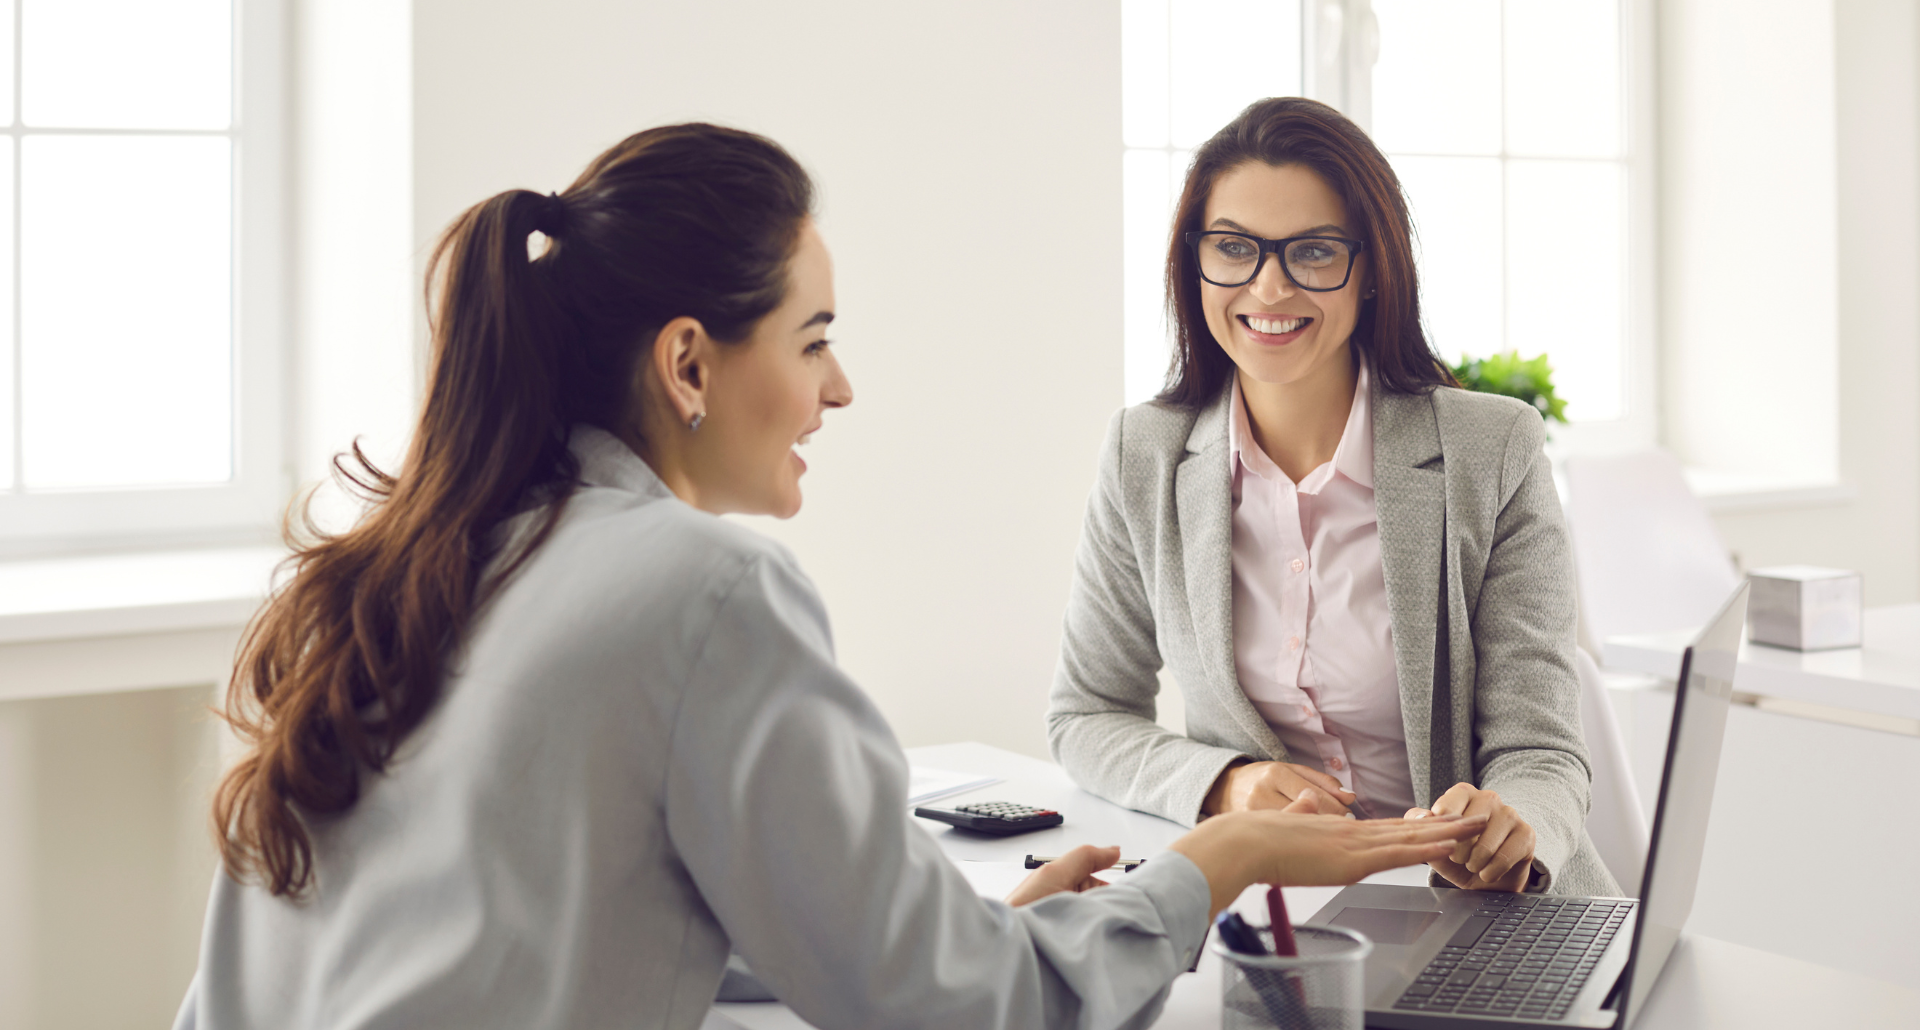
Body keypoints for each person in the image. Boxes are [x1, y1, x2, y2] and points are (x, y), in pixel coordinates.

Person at [172, 123, 1485, 1030]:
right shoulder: (704, 593)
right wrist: (1212, 862)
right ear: (688, 365)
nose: (838, 388)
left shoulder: (398, 570)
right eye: (812, 341)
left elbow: (554, 950)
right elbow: (968, 1015)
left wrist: (943, 937)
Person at [1047, 97, 1617, 898]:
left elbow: (1542, 750)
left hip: (1478, 912)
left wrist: (1510, 823)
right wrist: (1228, 785)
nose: (1269, 287)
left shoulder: (1492, 451)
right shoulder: (1145, 454)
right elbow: (1087, 717)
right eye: (1234, 248)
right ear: (1195, 262)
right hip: (1273, 918)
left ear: (1374, 269)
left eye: (1312, 252)